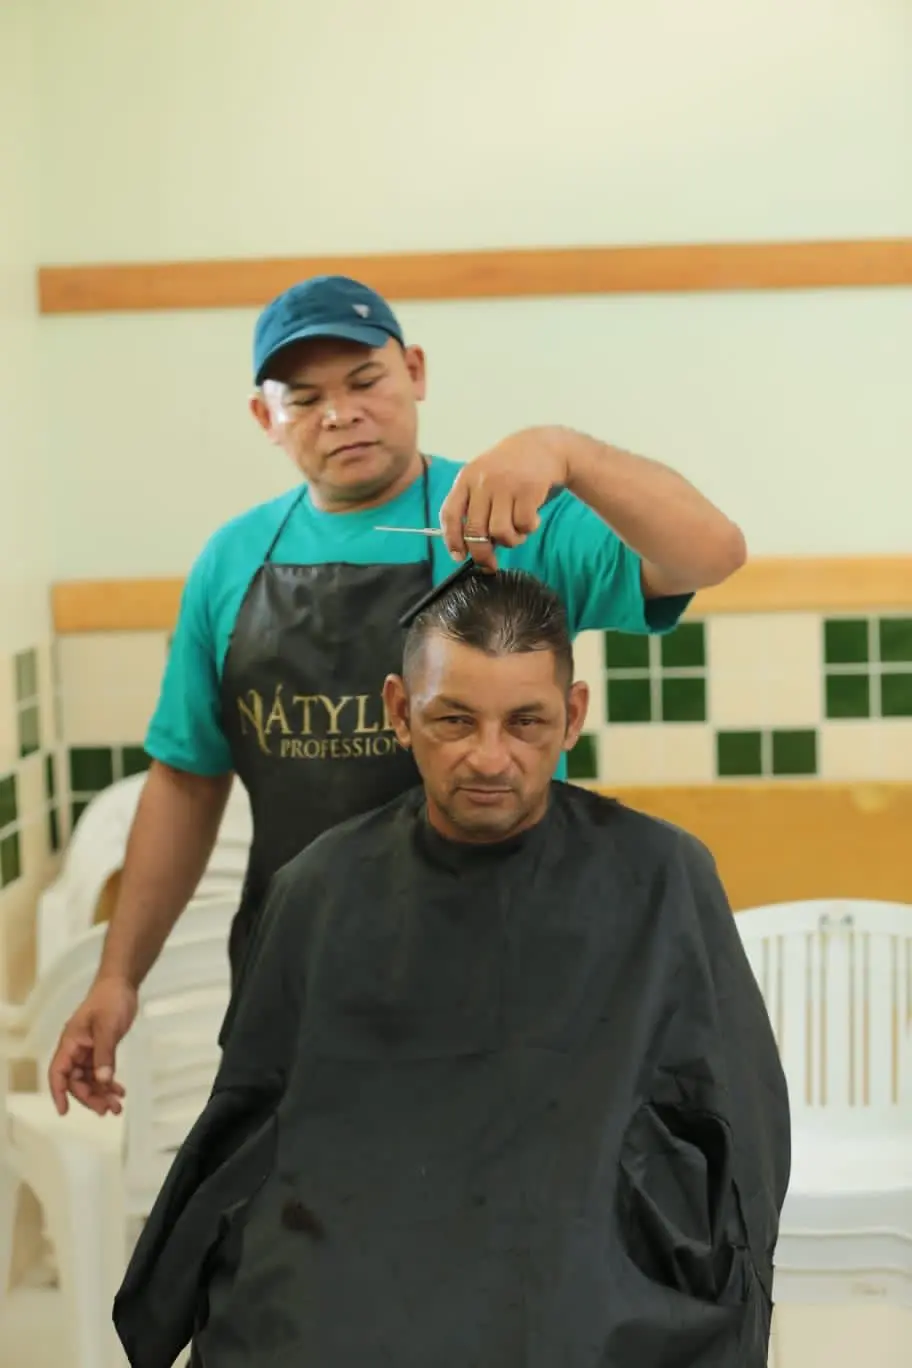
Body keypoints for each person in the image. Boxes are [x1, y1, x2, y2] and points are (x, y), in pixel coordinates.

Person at [48, 272, 747, 1120]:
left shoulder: (512, 521)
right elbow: (187, 783)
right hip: (301, 981)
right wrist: (118, 977)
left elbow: (712, 553)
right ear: (265, 417)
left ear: (414, 371)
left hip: (514, 982)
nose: (340, 414)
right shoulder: (229, 562)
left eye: (364, 381)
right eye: (305, 399)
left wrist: (564, 451)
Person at [112, 570, 789, 1368]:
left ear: (573, 716)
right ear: (401, 711)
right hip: (350, 1230)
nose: (490, 759)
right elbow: (248, 1123)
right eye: (455, 720)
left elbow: (734, 1120)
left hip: (581, 1235)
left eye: (526, 722)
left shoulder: (662, 876)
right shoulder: (319, 887)